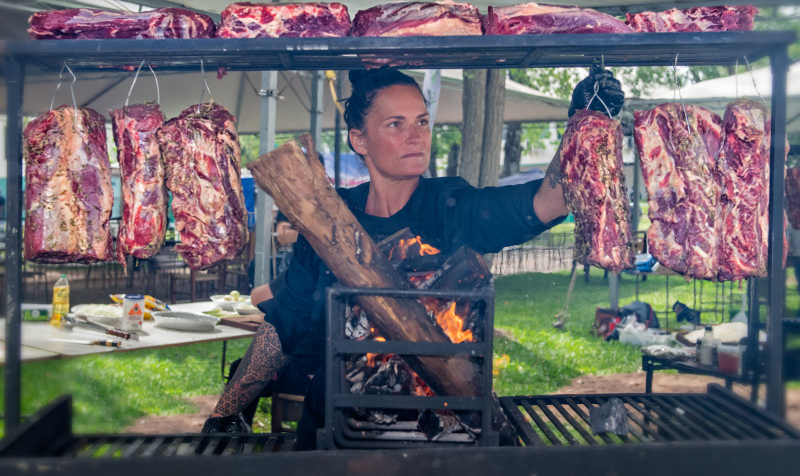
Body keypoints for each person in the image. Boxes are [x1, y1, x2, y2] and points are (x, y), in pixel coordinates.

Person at [202, 67, 624, 442]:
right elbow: (285, 322)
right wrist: (227, 409)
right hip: (340, 431)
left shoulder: (450, 207)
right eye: (395, 124)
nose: (416, 135)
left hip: (440, 432)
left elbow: (548, 202)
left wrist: (583, 123)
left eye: (421, 121)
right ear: (359, 140)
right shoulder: (329, 216)